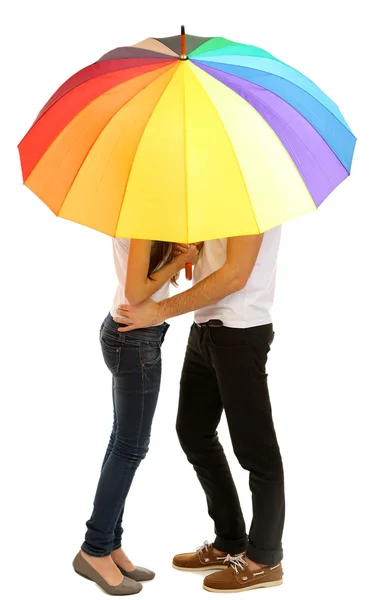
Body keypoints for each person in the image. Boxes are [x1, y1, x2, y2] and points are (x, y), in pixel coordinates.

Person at [115, 230, 285, 594]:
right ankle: (230, 540)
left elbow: (235, 274)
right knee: (193, 432)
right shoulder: (221, 195)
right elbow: (214, 265)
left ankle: (265, 559)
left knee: (256, 451)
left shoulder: (253, 194)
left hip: (241, 332)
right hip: (206, 328)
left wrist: (158, 311)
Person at [72, 238, 199, 596]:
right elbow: (135, 291)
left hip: (135, 336)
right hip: (134, 340)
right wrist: (178, 263)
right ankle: (94, 549)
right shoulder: (141, 217)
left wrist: (181, 256)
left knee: (122, 444)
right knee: (130, 448)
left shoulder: (153, 216)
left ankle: (109, 544)